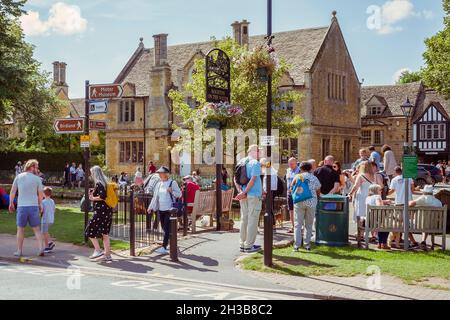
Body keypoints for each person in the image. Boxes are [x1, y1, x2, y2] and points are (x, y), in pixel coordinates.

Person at [9, 159, 45, 257]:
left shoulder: (19, 177)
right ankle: (41, 248)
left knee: (20, 229)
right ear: (31, 167)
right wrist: (40, 204)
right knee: (37, 229)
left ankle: (19, 251)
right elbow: (41, 194)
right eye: (36, 167)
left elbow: (12, 191)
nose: (37, 170)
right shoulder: (37, 179)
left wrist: (11, 203)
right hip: (33, 207)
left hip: (22, 207)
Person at [234, 145, 263, 253]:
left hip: (244, 195)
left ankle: (242, 244)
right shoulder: (255, 163)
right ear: (255, 151)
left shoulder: (241, 161)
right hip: (253, 195)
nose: (260, 153)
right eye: (259, 151)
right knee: (252, 220)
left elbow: (235, 178)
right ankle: (249, 246)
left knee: (244, 219)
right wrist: (245, 192)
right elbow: (253, 179)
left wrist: (241, 192)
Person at [147, 166, 182, 254]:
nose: (159, 174)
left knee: (166, 228)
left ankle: (164, 247)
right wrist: (150, 207)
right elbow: (155, 197)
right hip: (161, 209)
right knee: (164, 228)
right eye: (159, 173)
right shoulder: (159, 184)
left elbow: (179, 194)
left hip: (170, 209)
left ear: (166, 174)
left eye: (161, 173)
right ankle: (172, 242)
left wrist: (171, 191)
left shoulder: (172, 183)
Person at [85, 166, 114, 262]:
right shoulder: (106, 182)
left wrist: (93, 198)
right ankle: (107, 255)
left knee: (90, 230)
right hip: (108, 211)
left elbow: (102, 196)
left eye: (92, 173)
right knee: (104, 233)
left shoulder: (99, 183)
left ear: (95, 173)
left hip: (100, 212)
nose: (91, 175)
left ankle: (98, 250)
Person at [291, 162, 321, 251]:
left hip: (299, 201)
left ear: (301, 168)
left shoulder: (298, 176)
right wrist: (318, 196)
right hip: (311, 202)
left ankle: (296, 246)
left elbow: (292, 186)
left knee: (298, 224)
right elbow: (318, 189)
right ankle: (307, 245)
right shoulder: (314, 178)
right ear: (310, 168)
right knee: (309, 224)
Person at [387, 166, 418, 249]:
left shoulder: (394, 179)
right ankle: (408, 240)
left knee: (398, 223)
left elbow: (391, 191)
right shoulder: (409, 178)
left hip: (398, 203)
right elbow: (412, 190)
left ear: (395, 172)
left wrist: (384, 193)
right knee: (406, 223)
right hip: (408, 203)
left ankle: (396, 240)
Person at [348, 161, 378, 242]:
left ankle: (360, 234)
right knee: (370, 215)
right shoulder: (374, 176)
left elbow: (356, 186)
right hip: (371, 197)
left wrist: (350, 193)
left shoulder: (361, 175)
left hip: (362, 197)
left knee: (361, 215)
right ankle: (373, 234)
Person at [409, 185, 443, 249]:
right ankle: (423, 241)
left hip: (418, 225)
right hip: (433, 225)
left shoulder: (422, 199)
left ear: (424, 192)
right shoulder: (438, 202)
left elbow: (410, 204)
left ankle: (413, 242)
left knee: (404, 224)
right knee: (427, 223)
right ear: (432, 192)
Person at [366, 184, 392, 249]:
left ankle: (380, 244)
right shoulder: (378, 196)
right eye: (380, 190)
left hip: (369, 221)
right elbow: (378, 206)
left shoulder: (368, 198)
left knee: (382, 227)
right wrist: (385, 206)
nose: (381, 191)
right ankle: (384, 244)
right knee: (386, 226)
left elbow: (373, 204)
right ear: (376, 191)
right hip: (378, 220)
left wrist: (384, 202)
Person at [285, 158, 300, 234]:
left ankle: (300, 228)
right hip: (289, 193)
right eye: (289, 164)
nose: (290, 165)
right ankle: (293, 227)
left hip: (298, 194)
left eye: (292, 164)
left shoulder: (300, 171)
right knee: (291, 210)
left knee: (298, 211)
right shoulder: (288, 170)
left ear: (296, 163)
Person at [41, 187, 56, 253]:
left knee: (44, 233)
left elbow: (41, 210)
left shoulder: (43, 202)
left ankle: (47, 246)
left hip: (45, 219)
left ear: (44, 194)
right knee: (46, 232)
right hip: (51, 219)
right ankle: (50, 242)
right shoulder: (52, 201)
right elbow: (54, 210)